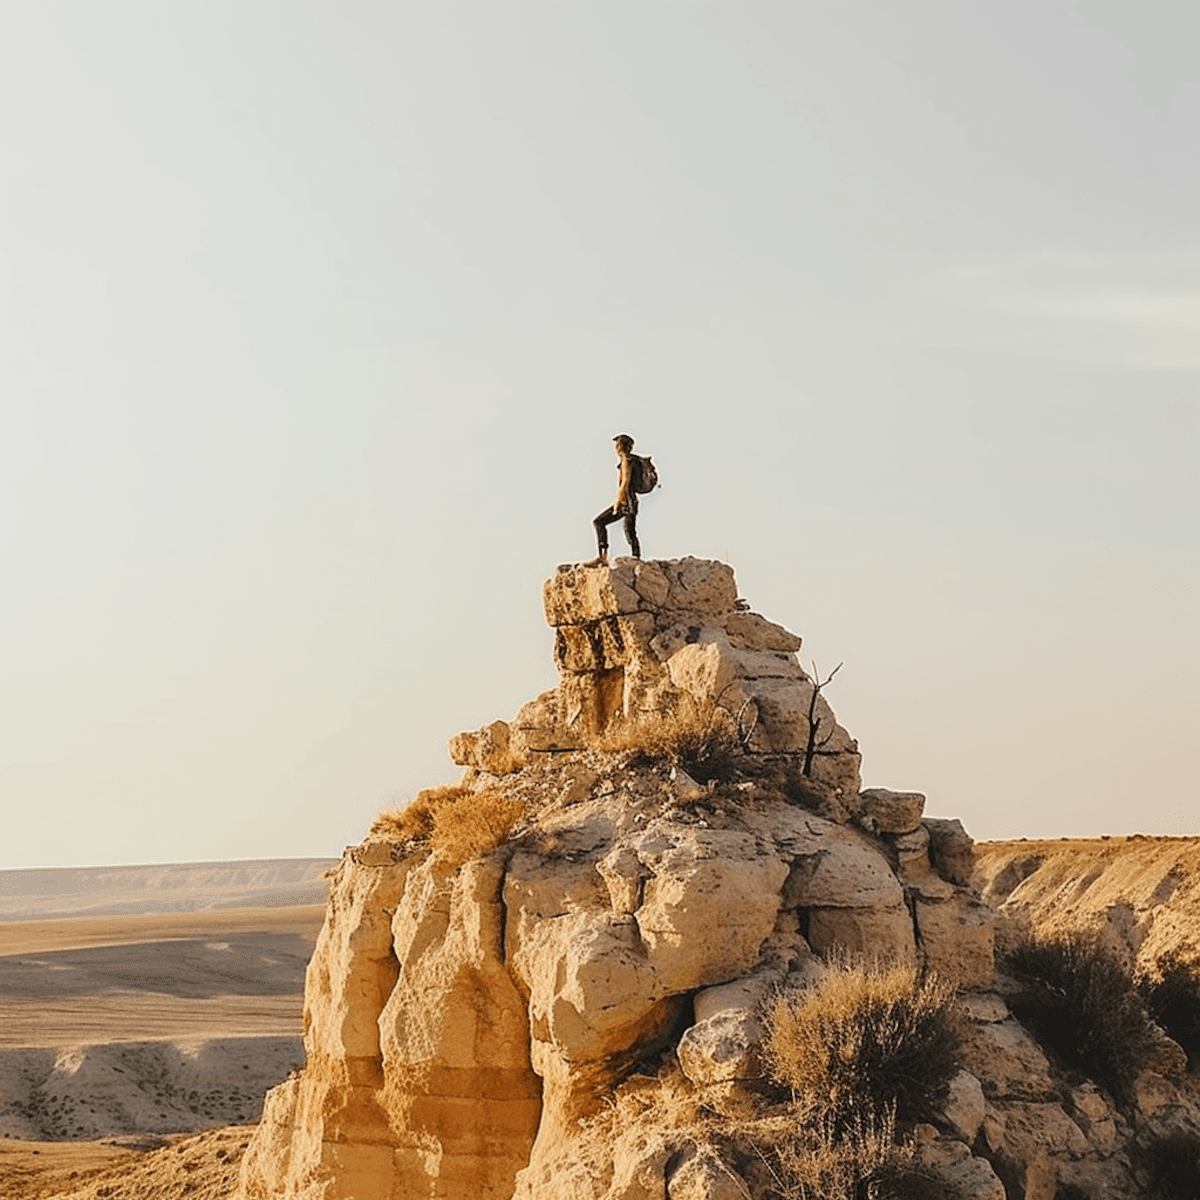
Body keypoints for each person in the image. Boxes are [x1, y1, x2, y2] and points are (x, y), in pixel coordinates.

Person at [589, 434, 641, 564]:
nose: (615, 448)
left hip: (626, 502)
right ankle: (635, 556)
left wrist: (618, 500)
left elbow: (626, 481)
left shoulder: (626, 460)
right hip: (630, 501)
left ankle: (603, 556)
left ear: (620, 446)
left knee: (599, 522)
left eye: (617, 445)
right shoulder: (630, 460)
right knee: (629, 530)